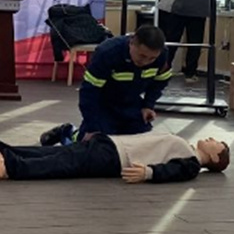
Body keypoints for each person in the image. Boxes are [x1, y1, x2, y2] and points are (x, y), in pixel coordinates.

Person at [39, 25, 172, 146]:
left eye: (152, 58)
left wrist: (148, 105)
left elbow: (160, 81)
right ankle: (68, 132)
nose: (146, 62)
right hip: (103, 104)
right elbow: (89, 92)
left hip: (131, 103)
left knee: (140, 144)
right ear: (131, 42)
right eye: (142, 56)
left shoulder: (162, 56)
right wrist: (92, 127)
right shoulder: (107, 53)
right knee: (95, 145)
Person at [0, 127, 229, 183]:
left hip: (115, 158)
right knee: (54, 152)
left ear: (216, 158)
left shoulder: (191, 163)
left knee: (62, 162)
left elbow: (175, 172)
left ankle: (8, 168)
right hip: (112, 145)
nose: (211, 139)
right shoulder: (186, 146)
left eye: (217, 143)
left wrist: (149, 173)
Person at [157, 0, 212, 83]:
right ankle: (190, 73)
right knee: (195, 43)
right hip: (199, 9)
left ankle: (162, 70)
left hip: (178, 8)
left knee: (171, 42)